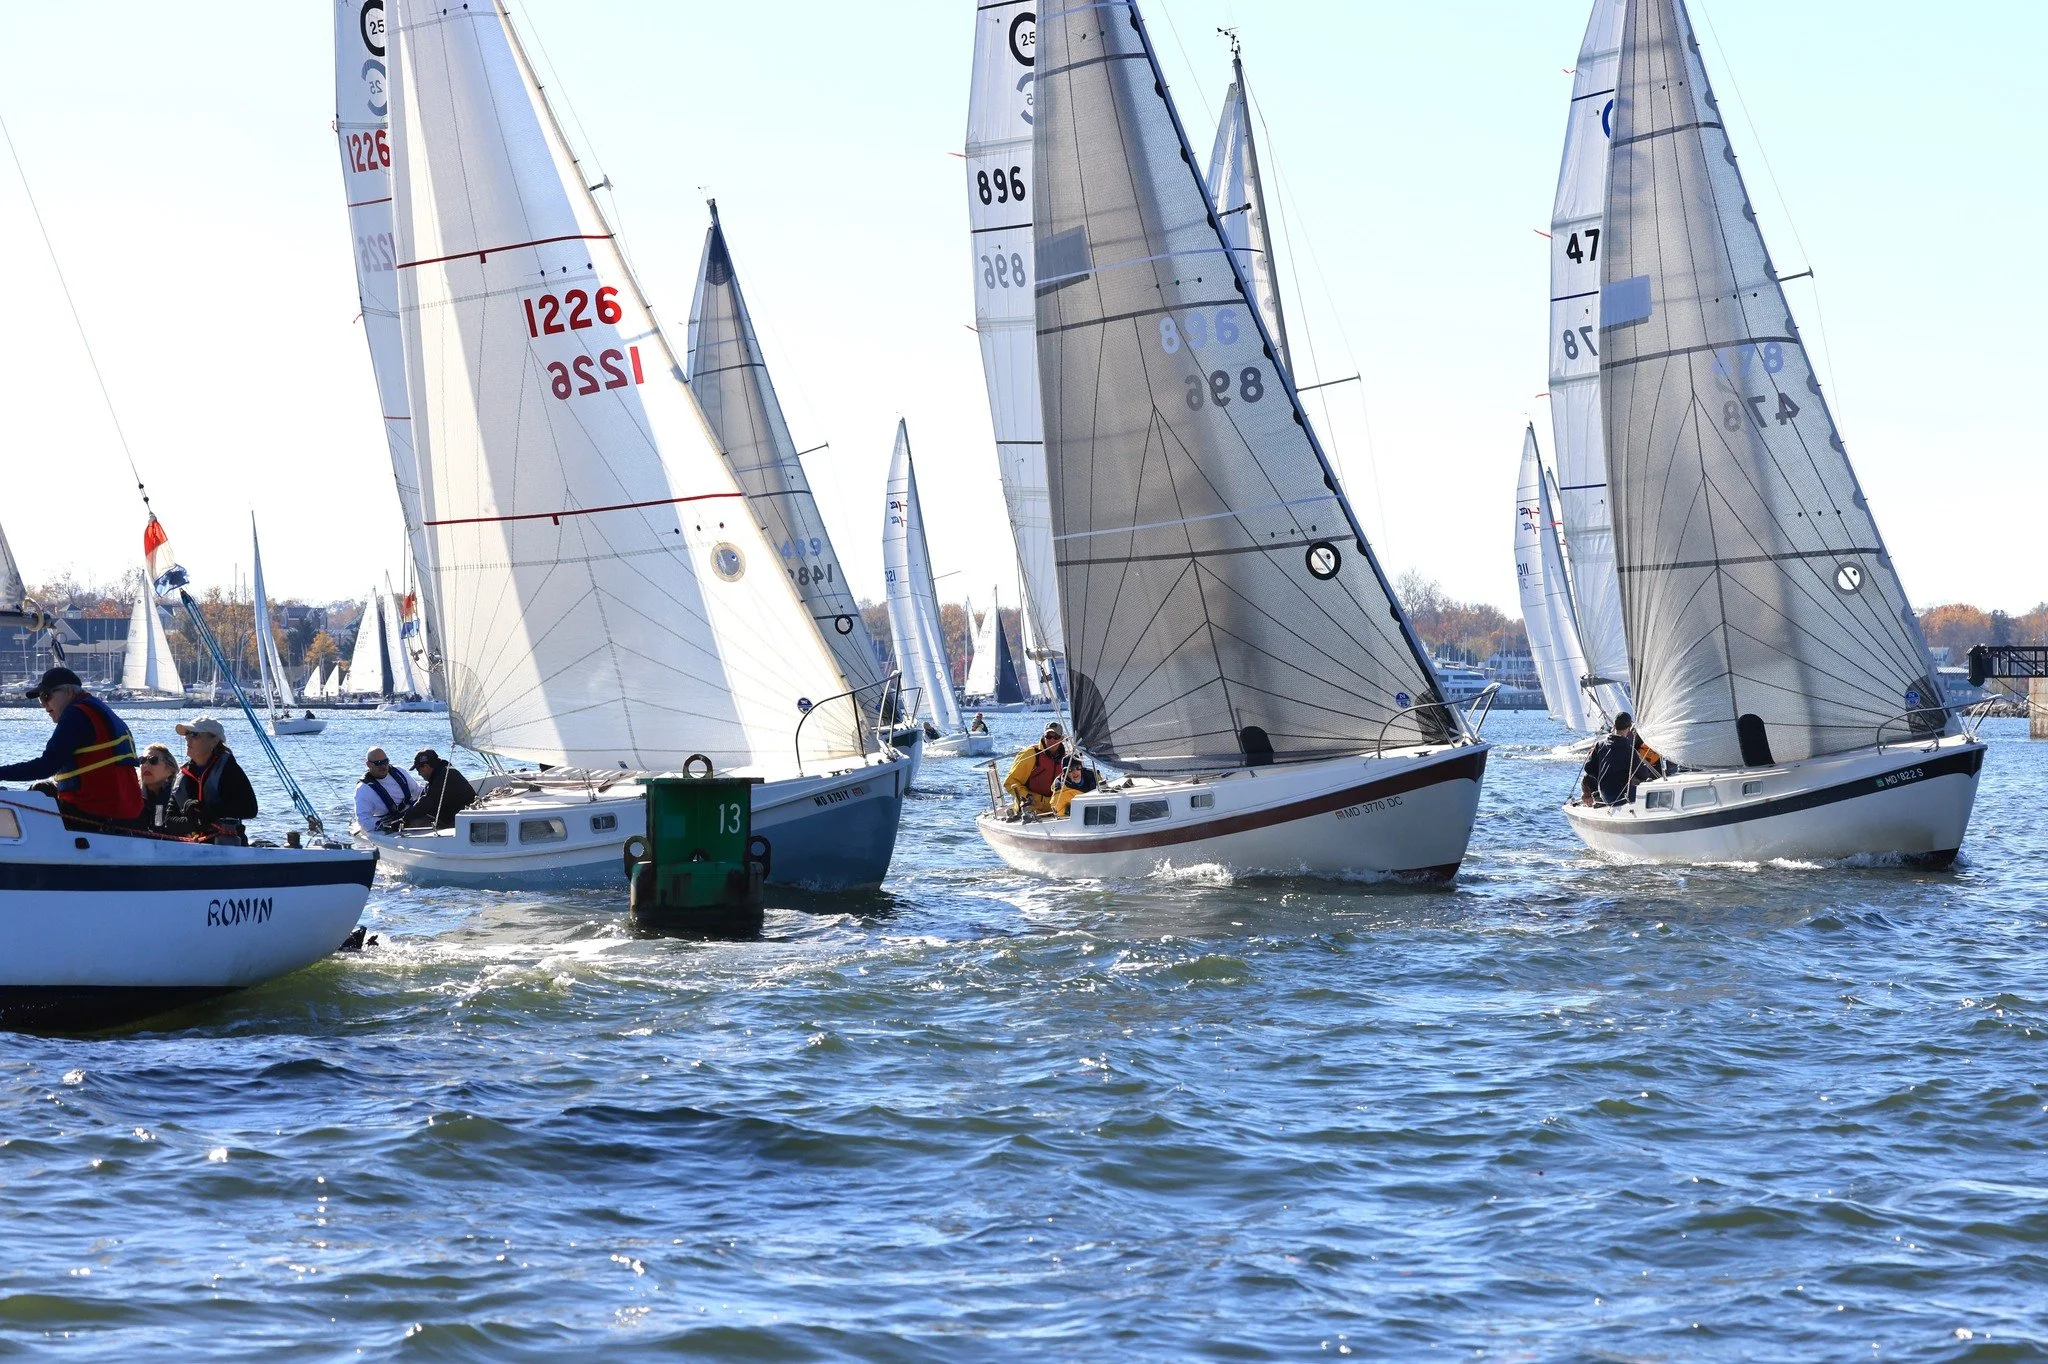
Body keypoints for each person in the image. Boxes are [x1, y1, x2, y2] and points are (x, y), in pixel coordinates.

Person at [0, 667, 143, 828]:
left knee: (25, 807)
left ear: (68, 692)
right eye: (40, 699)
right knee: (42, 789)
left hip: (93, 814)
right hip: (124, 813)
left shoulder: (76, 715)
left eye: (47, 696)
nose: (44, 705)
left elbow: (45, 767)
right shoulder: (98, 709)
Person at [171, 716, 259, 844]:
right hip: (192, 847)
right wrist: (193, 819)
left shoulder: (229, 770)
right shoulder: (183, 774)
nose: (188, 739)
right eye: (187, 734)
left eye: (195, 734)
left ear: (214, 741)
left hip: (226, 847)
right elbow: (169, 820)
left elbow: (250, 809)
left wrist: (209, 811)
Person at [1581, 712, 1661, 807]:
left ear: (1614, 725)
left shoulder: (1600, 745)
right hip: (1620, 796)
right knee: (1655, 794)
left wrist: (1602, 776)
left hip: (1604, 793)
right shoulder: (1629, 750)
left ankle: (1600, 798)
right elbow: (1643, 775)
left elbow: (1588, 768)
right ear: (1629, 728)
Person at [1003, 722, 1068, 815]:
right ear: (1043, 737)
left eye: (1056, 737)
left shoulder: (1067, 759)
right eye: (1048, 736)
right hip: (1031, 809)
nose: (1052, 740)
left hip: (1056, 809)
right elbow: (1009, 783)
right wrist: (1027, 795)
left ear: (1061, 739)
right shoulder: (1030, 754)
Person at [401, 748, 475, 830]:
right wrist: (404, 814)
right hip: (455, 816)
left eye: (419, 770)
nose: (419, 774)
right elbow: (423, 798)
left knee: (414, 823)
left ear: (426, 767)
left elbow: (427, 802)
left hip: (463, 822)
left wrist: (404, 819)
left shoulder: (446, 776)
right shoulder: (440, 774)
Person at [353, 747, 415, 832]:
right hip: (391, 826)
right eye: (378, 763)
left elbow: (418, 792)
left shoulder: (399, 772)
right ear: (368, 764)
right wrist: (384, 825)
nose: (383, 766)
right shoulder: (363, 789)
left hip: (411, 815)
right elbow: (363, 821)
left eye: (385, 762)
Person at [136, 742, 179, 832]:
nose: (145, 765)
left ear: (170, 770)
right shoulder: (132, 793)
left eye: (153, 760)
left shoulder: (178, 796)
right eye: (142, 760)